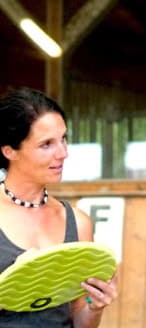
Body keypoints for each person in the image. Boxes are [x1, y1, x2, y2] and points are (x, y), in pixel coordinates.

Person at [0, 87, 118, 327]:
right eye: (46, 144)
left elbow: (77, 318)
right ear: (9, 150)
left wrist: (95, 307)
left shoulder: (79, 223)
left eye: (63, 138)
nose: (63, 153)